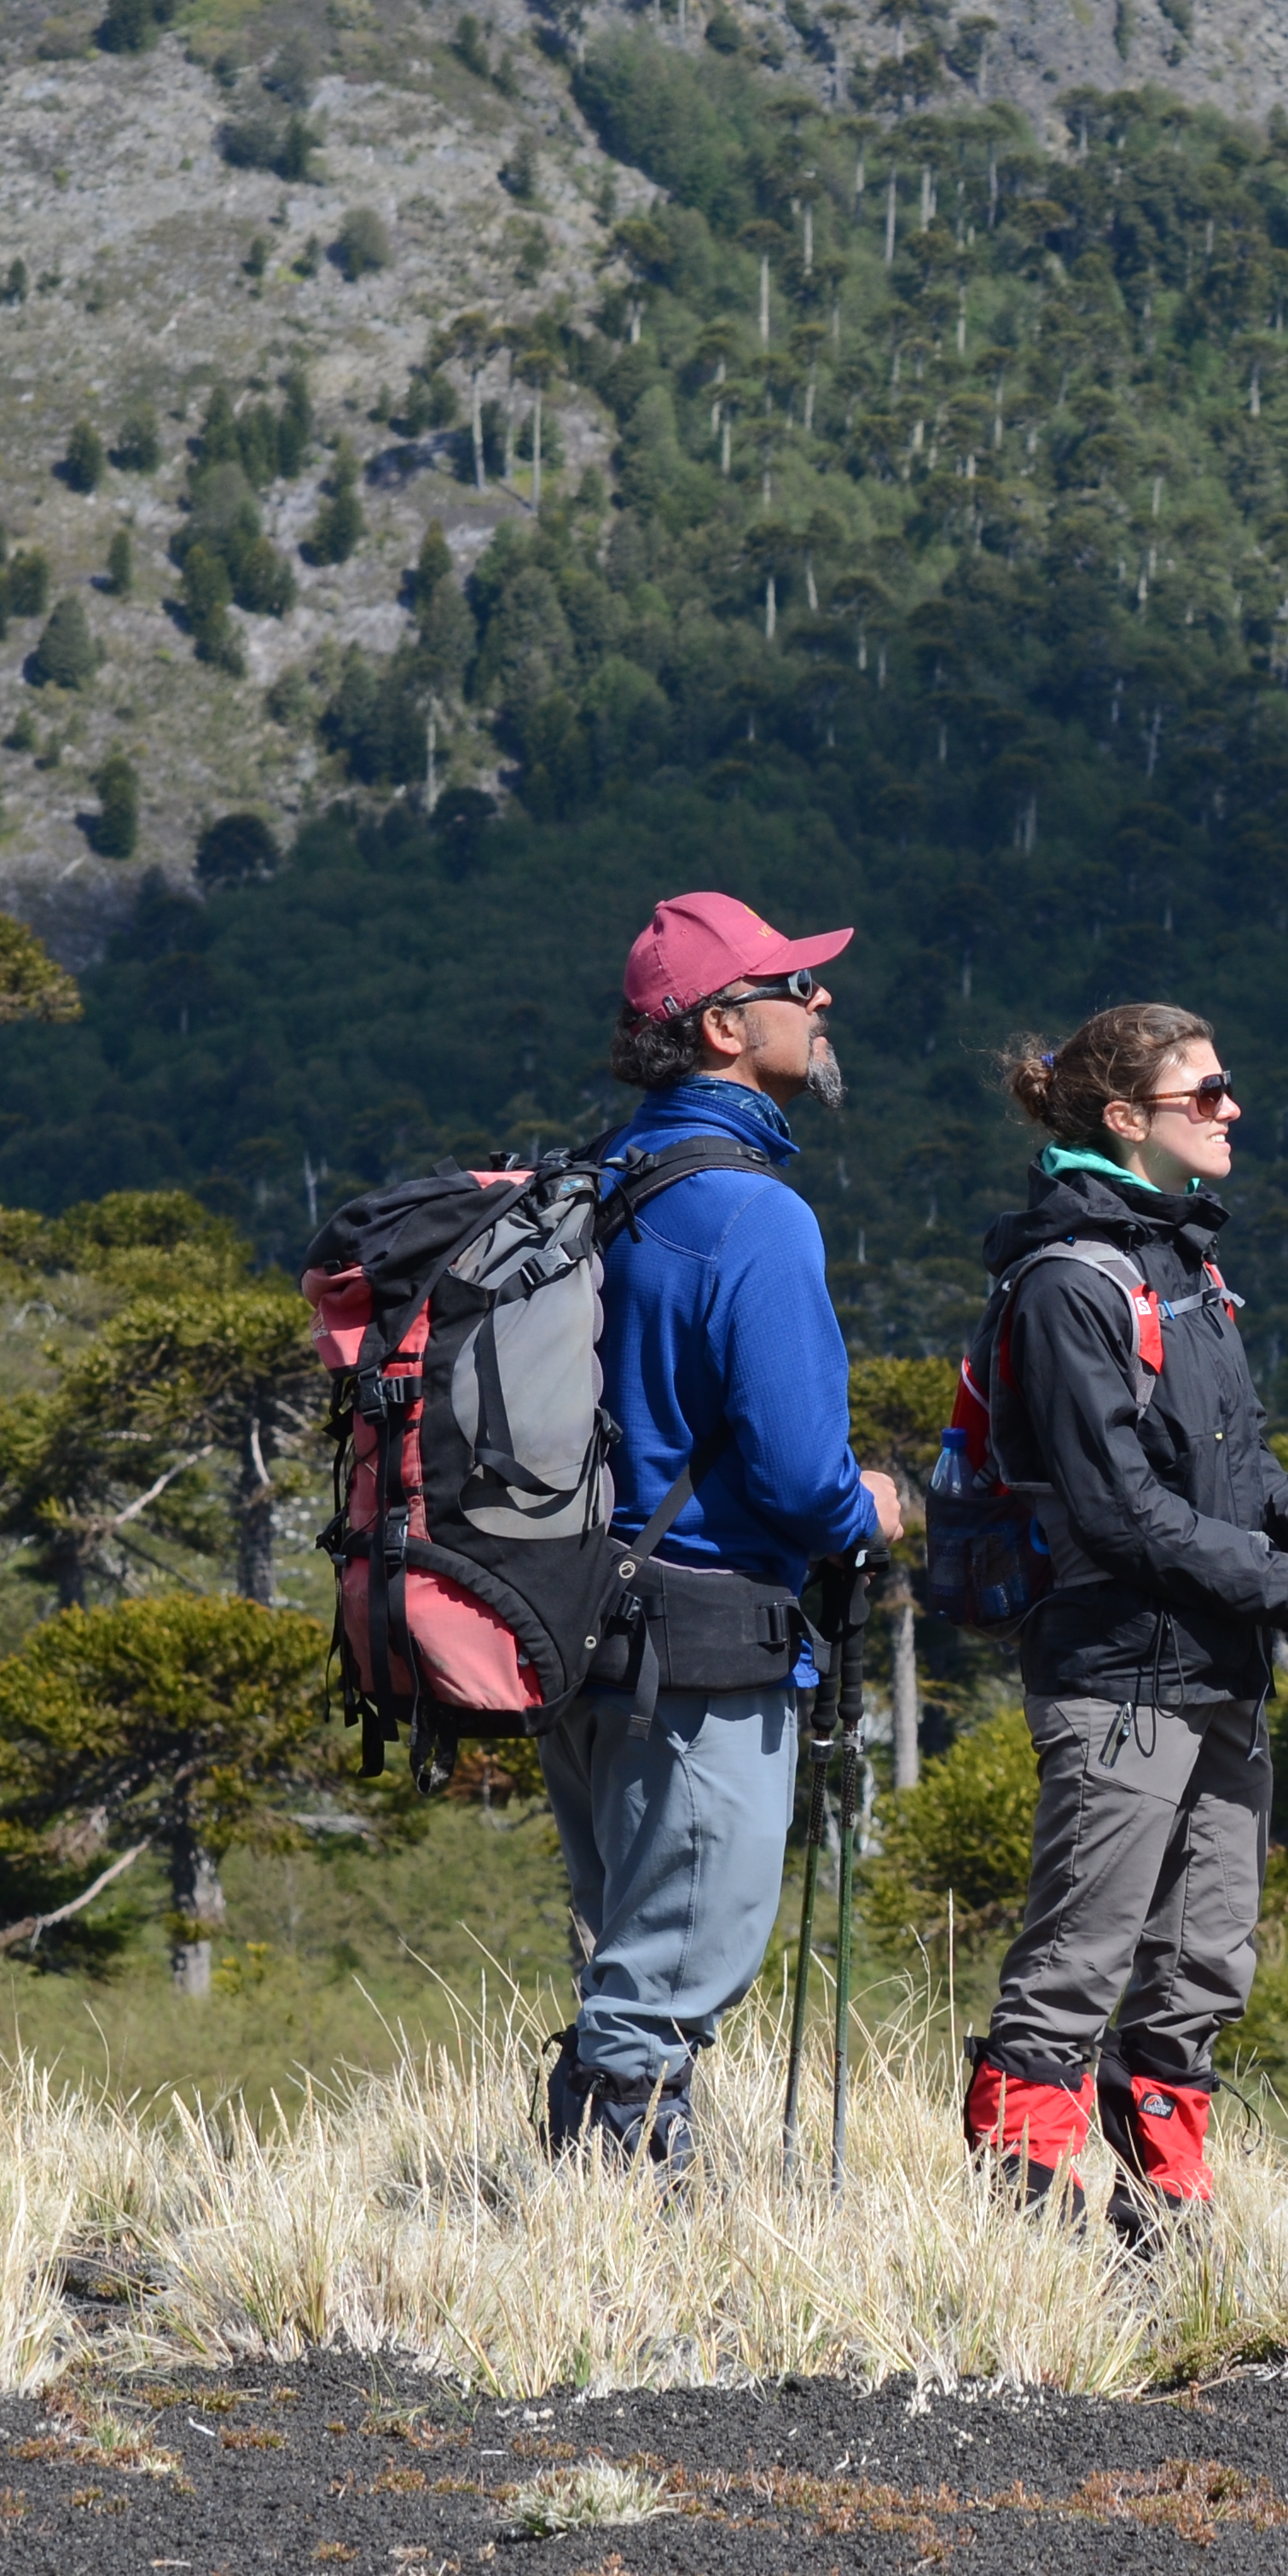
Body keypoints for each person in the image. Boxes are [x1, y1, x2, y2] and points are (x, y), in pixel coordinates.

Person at [960, 1004, 1288, 2235]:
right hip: (1115, 1673)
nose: (1230, 1110)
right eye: (1204, 1093)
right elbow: (1118, 1517)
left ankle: (1169, 2214)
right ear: (1124, 1119)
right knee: (1080, 1960)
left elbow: (1232, 1467)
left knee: (1205, 1963)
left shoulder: (1185, 1264)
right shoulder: (1066, 1285)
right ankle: (1024, 2232)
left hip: (1214, 1665)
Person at [542, 893, 906, 2162]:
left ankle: (582, 2232)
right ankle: (628, 2259)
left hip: (579, 1627)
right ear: (720, 1026)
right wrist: (878, 1508)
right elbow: (806, 1480)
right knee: (670, 1975)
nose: (820, 1001)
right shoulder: (754, 1215)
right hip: (702, 1644)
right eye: (792, 985)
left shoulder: (600, 1178)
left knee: (624, 1947)